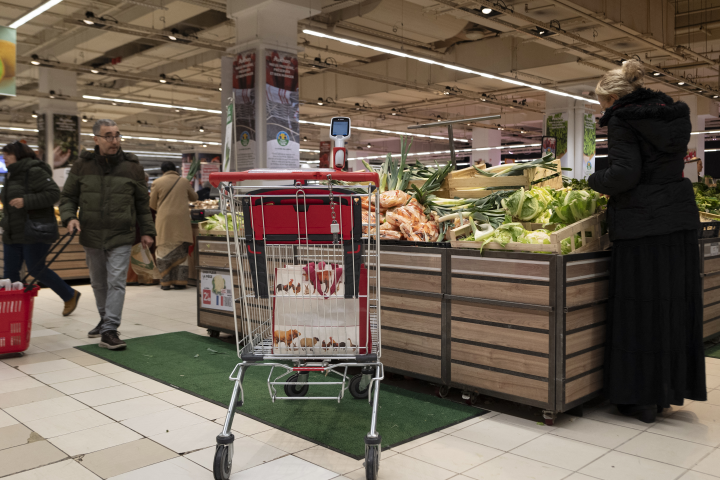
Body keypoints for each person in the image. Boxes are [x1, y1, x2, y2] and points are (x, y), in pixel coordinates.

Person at [588, 59, 706, 423]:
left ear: (614, 98)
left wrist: (594, 181)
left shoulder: (624, 119)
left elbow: (625, 173)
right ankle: (664, 392)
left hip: (642, 223)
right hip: (678, 219)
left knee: (639, 310)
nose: (602, 110)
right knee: (670, 307)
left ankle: (638, 396)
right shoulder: (672, 117)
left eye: (602, 103)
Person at [60, 119, 156, 350]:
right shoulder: (82, 165)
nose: (115, 141)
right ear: (96, 139)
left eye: (117, 135)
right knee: (98, 282)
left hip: (122, 233)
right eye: (109, 136)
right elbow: (68, 197)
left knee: (116, 282)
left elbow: (142, 203)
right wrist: (70, 217)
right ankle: (105, 319)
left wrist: (148, 231)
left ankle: (110, 329)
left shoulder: (132, 166)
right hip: (91, 233)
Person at [0, 141, 80, 314]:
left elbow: (53, 194)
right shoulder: (11, 175)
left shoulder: (34, 171)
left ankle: (69, 294)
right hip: (13, 232)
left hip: (34, 231)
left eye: (7, 154)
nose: (4, 157)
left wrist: (26, 201)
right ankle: (13, 313)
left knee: (36, 268)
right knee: (9, 275)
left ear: (18, 155)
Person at [150, 161, 198, 290]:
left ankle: (166, 282)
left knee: (163, 250)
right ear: (175, 169)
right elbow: (194, 197)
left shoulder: (157, 182)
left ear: (162, 171)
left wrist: (162, 208)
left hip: (164, 221)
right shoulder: (183, 181)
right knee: (181, 250)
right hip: (181, 220)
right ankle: (180, 282)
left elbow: (152, 204)